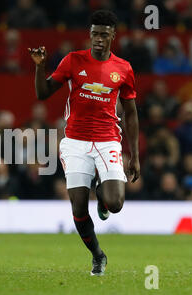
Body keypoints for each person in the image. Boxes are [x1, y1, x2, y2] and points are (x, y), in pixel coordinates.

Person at [28, 10, 140, 276]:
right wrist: (39, 65)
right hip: (76, 141)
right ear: (89, 35)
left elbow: (132, 112)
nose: (98, 39)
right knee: (78, 206)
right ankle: (98, 255)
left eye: (103, 34)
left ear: (113, 35)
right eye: (94, 34)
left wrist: (134, 155)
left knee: (116, 204)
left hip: (107, 140)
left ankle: (102, 198)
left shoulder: (123, 68)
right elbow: (42, 94)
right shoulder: (73, 60)